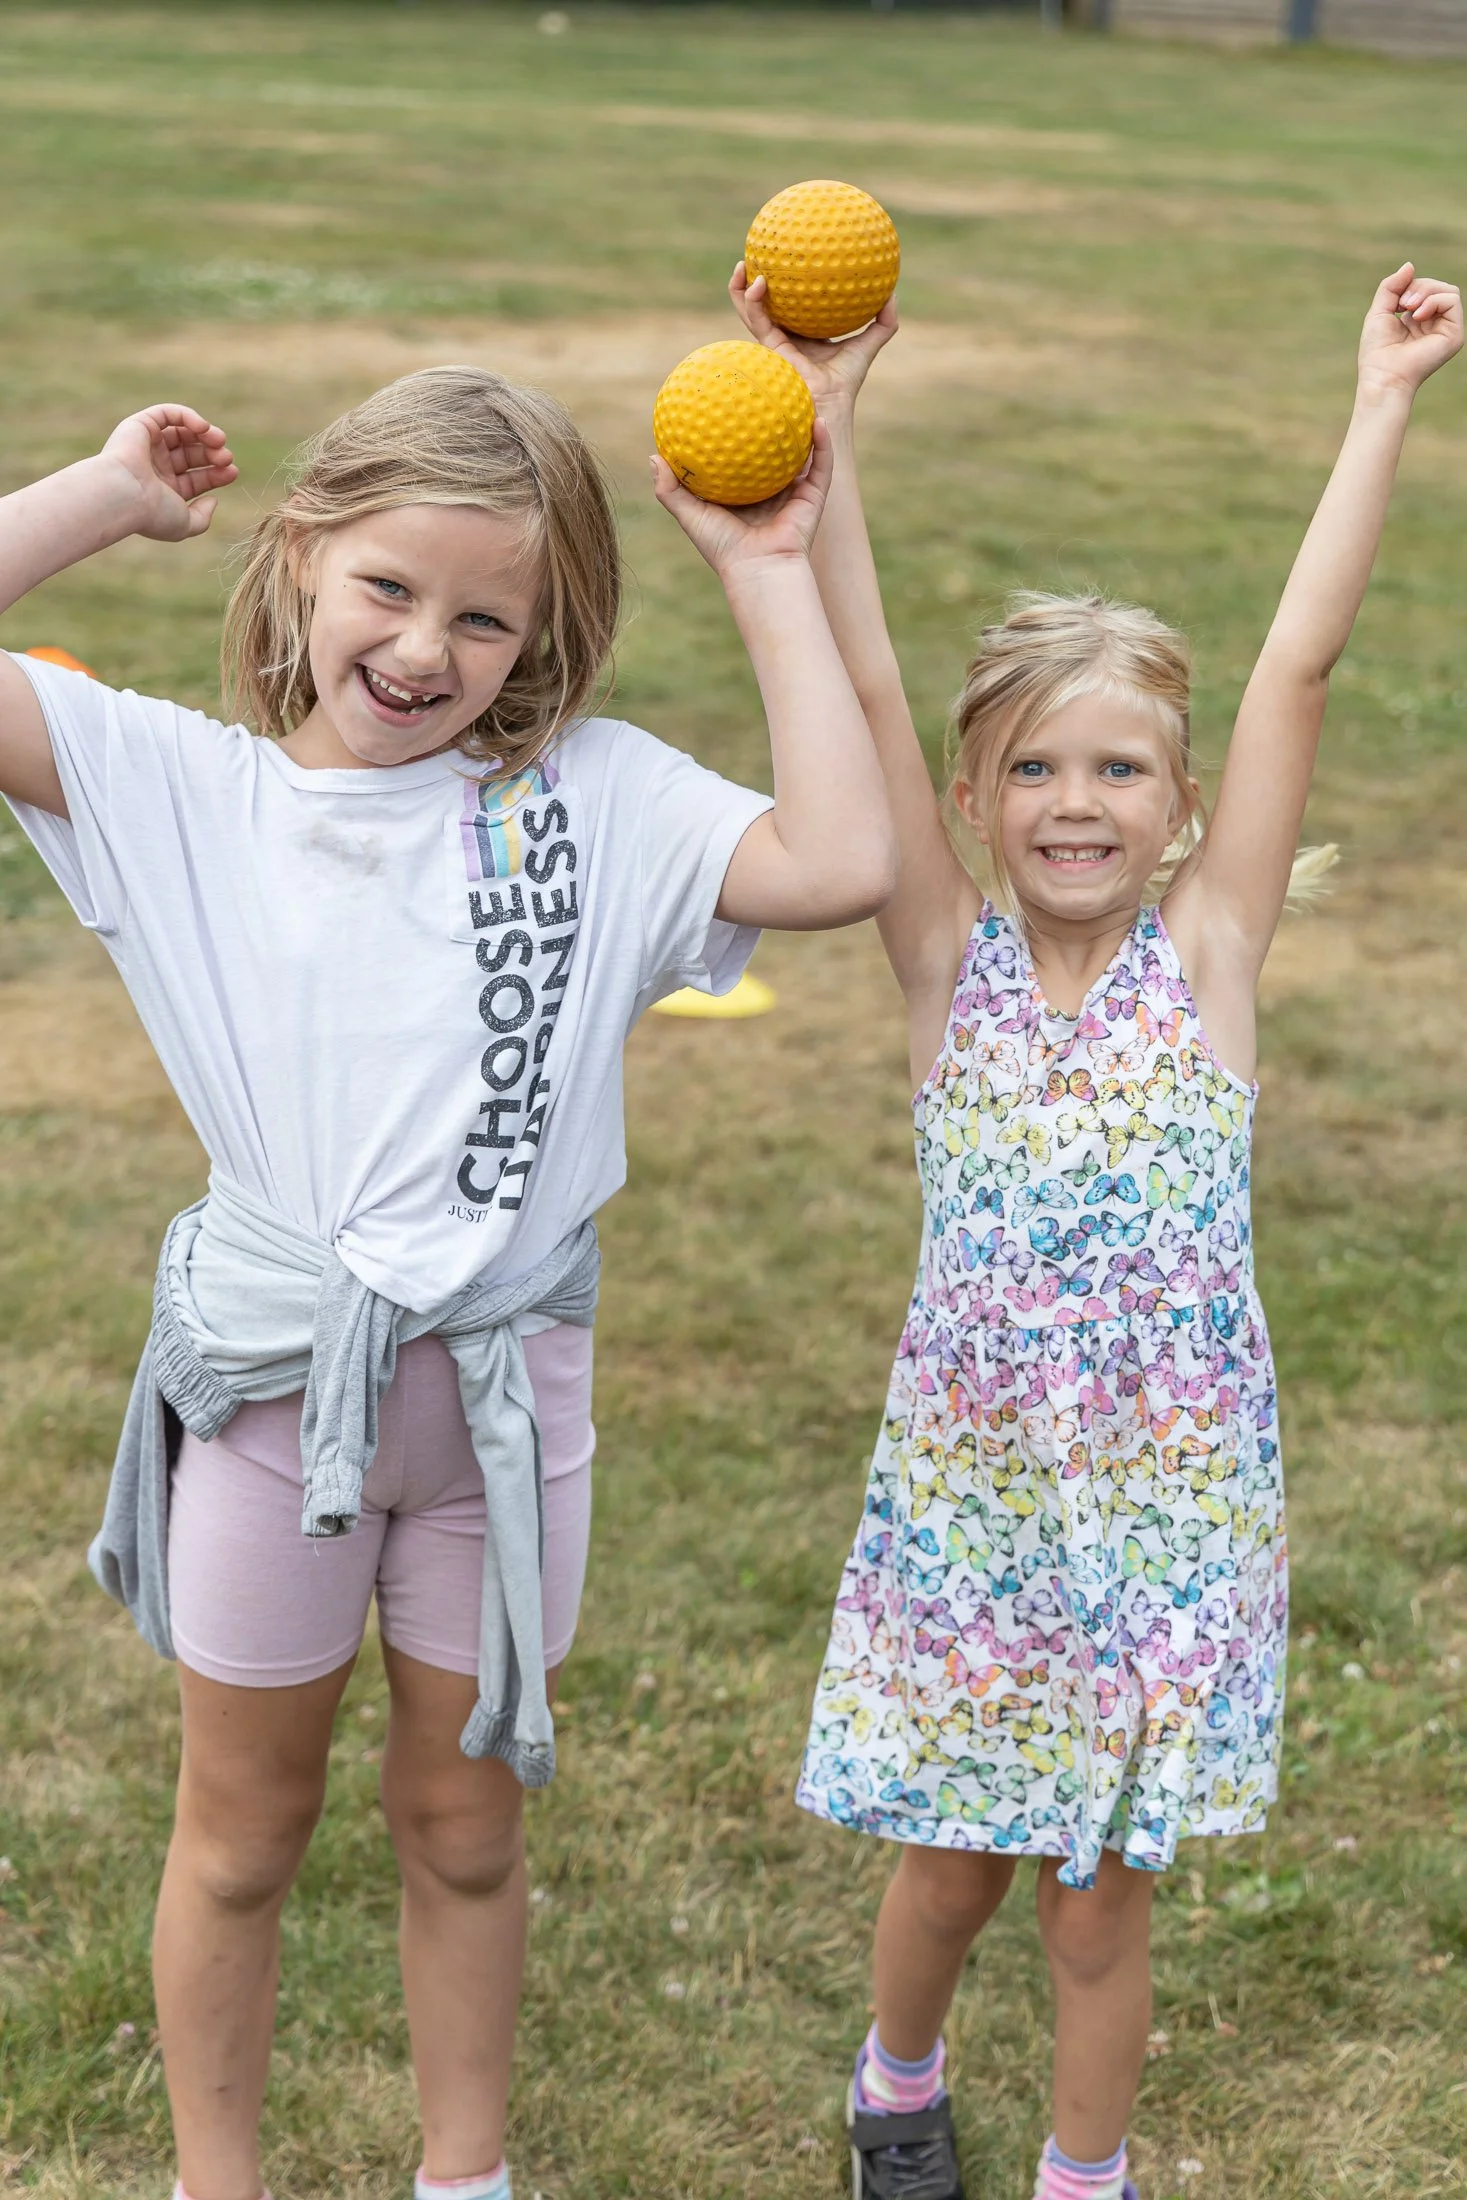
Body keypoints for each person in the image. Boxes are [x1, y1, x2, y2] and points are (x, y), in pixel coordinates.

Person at [0, 364, 896, 2200]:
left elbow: (844, 857)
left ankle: (463, 2177)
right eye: (388, 589)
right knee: (241, 1836)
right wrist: (104, 495)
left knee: (467, 1825)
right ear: (300, 557)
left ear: (543, 637)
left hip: (502, 1417)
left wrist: (765, 567)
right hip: (276, 1405)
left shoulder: (600, 799)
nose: (424, 650)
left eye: (486, 619)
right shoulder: (181, 793)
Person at [725, 259, 1462, 2200]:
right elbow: (865, 687)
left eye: (1119, 768)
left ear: (1181, 804)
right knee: (952, 1864)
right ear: (973, 797)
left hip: (1162, 1508)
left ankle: (1084, 2173)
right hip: (971, 1504)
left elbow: (1296, 664)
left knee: (1095, 1900)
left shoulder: (1207, 957)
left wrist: (1380, 401)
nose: (1076, 802)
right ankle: (896, 2076)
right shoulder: (938, 960)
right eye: (1035, 769)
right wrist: (829, 421)